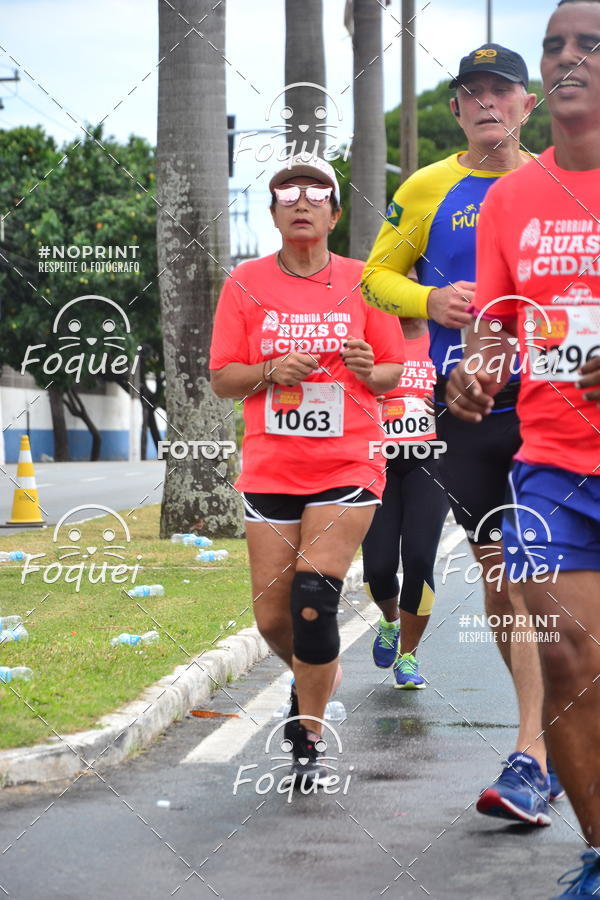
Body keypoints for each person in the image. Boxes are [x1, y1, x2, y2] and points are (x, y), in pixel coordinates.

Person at [362, 43, 562, 822]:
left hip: (555, 409)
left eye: (501, 92)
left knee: (551, 575)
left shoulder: (554, 183)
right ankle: (532, 744)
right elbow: (376, 275)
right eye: (472, 94)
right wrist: (430, 294)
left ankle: (539, 744)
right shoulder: (427, 187)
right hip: (467, 411)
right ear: (456, 109)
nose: (487, 105)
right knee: (500, 576)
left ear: (526, 103)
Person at [446, 2, 600, 894]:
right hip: (550, 466)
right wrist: (478, 374)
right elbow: (496, 332)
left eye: (589, 44)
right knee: (568, 655)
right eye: (554, 46)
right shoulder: (510, 200)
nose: (566, 59)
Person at [210, 153, 405, 788]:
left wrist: (366, 363)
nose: (301, 199)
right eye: (287, 191)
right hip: (272, 464)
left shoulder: (364, 280)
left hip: (349, 460)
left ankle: (308, 739)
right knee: (274, 618)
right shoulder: (245, 283)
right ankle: (315, 671)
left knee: (315, 599)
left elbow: (391, 374)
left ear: (334, 211)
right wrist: (270, 371)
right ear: (271, 212)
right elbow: (221, 379)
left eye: (315, 191)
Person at [363, 315, 449, 688]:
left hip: (432, 460)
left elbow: (477, 391)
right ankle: (390, 621)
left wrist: (449, 405)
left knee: (419, 559)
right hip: (378, 460)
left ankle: (409, 656)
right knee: (379, 566)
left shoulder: (445, 340)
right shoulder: (370, 333)